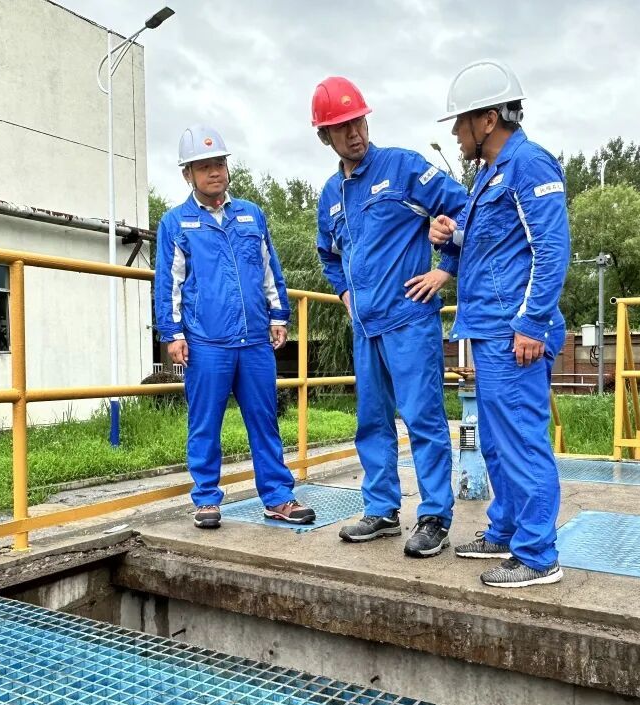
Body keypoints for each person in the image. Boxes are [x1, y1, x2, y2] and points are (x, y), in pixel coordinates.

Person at [312, 76, 467, 557]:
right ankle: (381, 510)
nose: (354, 133)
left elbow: (465, 208)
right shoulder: (330, 195)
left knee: (423, 419)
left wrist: (446, 269)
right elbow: (328, 254)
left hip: (409, 321)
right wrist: (344, 293)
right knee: (372, 423)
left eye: (358, 121)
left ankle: (435, 516)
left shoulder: (402, 167)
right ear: (324, 136)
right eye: (341, 127)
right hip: (366, 329)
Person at [429, 60, 570, 587]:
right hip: (489, 328)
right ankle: (507, 530)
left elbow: (551, 249)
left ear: (488, 119)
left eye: (460, 121)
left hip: (515, 332)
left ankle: (537, 555)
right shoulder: (490, 174)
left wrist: (532, 323)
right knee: (496, 441)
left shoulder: (529, 164)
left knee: (521, 441)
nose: (455, 133)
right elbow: (492, 244)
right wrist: (450, 234)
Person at [154, 124, 315, 530]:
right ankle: (207, 499)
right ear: (187, 174)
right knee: (205, 423)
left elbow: (269, 269)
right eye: (203, 166)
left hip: (255, 339)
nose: (214, 172)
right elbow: (169, 283)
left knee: (264, 420)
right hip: (207, 342)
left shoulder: (251, 214)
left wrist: (278, 316)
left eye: (219, 164)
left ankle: (278, 497)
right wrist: (172, 333)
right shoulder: (177, 222)